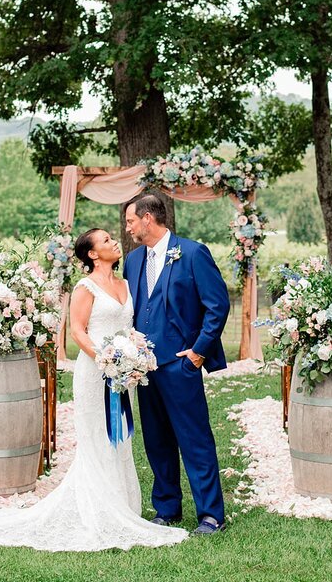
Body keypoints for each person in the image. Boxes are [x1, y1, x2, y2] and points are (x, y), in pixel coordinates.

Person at [0, 228, 187, 551]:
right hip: (95, 371)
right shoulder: (85, 287)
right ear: (93, 254)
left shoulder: (126, 284)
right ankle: (98, 511)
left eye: (113, 238)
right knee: (98, 439)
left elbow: (129, 328)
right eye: (106, 241)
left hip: (122, 375)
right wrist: (105, 357)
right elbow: (76, 331)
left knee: (121, 437)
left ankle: (123, 507)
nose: (115, 242)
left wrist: (132, 355)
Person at [123, 194, 229, 536]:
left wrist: (198, 352)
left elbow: (217, 306)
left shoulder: (193, 253)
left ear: (148, 219)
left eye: (130, 221)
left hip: (180, 364)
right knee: (156, 440)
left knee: (195, 439)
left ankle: (211, 515)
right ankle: (167, 508)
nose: (128, 228)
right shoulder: (133, 260)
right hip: (144, 369)